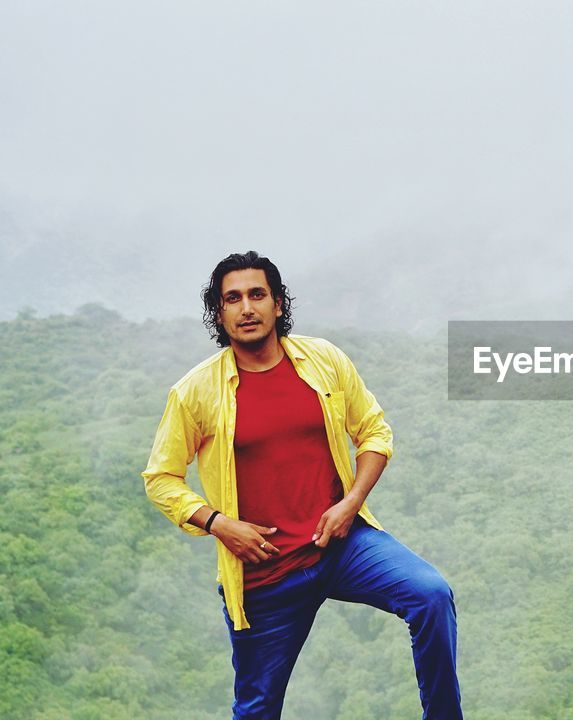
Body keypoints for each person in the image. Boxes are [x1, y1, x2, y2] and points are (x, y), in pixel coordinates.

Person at [141, 250, 462, 719]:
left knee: (431, 595)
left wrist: (351, 502)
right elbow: (161, 478)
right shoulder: (196, 392)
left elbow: (373, 431)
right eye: (233, 299)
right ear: (219, 312)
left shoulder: (322, 360)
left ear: (278, 305)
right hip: (265, 573)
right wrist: (218, 523)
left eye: (257, 295)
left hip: (343, 544)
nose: (247, 308)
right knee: (256, 710)